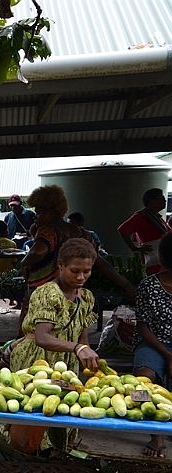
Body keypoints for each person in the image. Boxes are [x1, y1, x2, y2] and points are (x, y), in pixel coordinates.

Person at [9, 238, 100, 450]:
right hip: (36, 360)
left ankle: (58, 457)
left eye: (87, 271)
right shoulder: (47, 293)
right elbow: (42, 337)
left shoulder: (86, 297)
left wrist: (88, 363)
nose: (81, 277)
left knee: (61, 414)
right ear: (61, 265)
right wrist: (77, 349)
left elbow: (82, 338)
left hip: (65, 365)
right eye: (75, 270)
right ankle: (24, 463)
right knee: (32, 415)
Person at [19, 185, 135, 335]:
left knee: (36, 337)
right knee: (66, 335)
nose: (35, 217)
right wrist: (125, 285)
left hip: (45, 300)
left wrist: (24, 263)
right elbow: (101, 263)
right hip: (71, 298)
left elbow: (38, 251)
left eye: (38, 213)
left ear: (51, 213)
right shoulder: (84, 234)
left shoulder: (48, 231)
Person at [132, 231, 172, 458]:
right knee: (141, 381)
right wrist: (168, 355)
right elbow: (142, 327)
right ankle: (155, 432)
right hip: (154, 344)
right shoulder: (149, 286)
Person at [118, 188, 171, 275]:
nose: (164, 201)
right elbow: (123, 230)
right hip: (154, 258)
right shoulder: (142, 216)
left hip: (162, 256)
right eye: (161, 199)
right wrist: (134, 249)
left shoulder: (157, 217)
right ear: (151, 201)